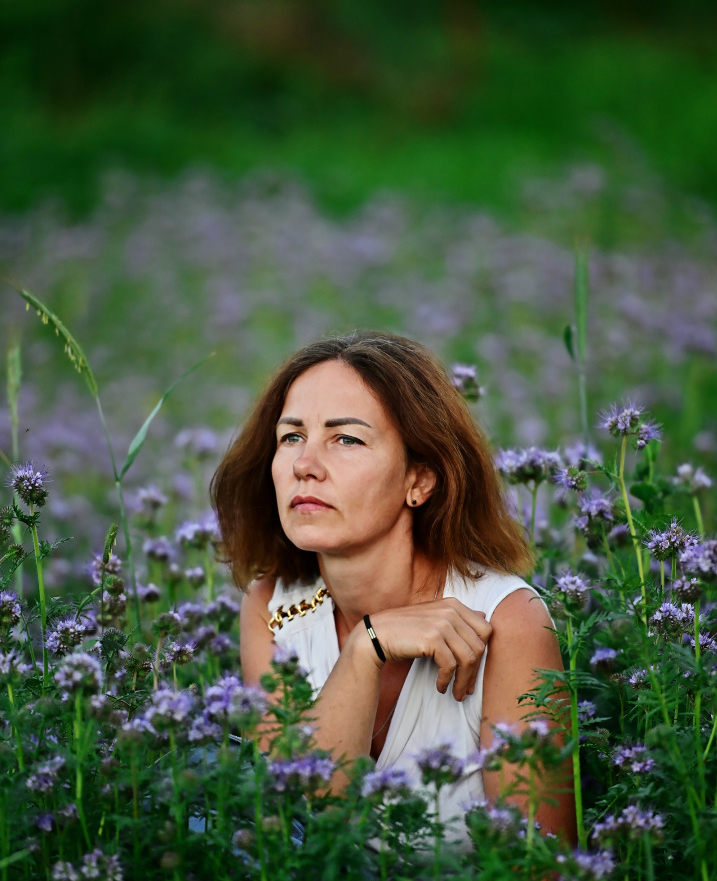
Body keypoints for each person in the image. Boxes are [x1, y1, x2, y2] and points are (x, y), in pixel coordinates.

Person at [211, 331, 575, 849]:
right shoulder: (272, 609)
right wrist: (366, 649)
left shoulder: (511, 620)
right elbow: (298, 832)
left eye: (347, 439)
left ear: (419, 481)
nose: (304, 465)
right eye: (291, 437)